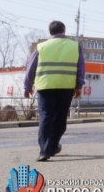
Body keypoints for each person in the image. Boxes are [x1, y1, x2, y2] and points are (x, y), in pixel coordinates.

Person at [23, 21, 85, 162]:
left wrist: (27, 87)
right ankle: (53, 145)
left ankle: (45, 150)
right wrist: (79, 86)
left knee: (46, 117)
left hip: (45, 87)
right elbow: (80, 68)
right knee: (60, 119)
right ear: (64, 30)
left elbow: (30, 69)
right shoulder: (75, 46)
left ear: (50, 32)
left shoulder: (41, 47)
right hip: (66, 87)